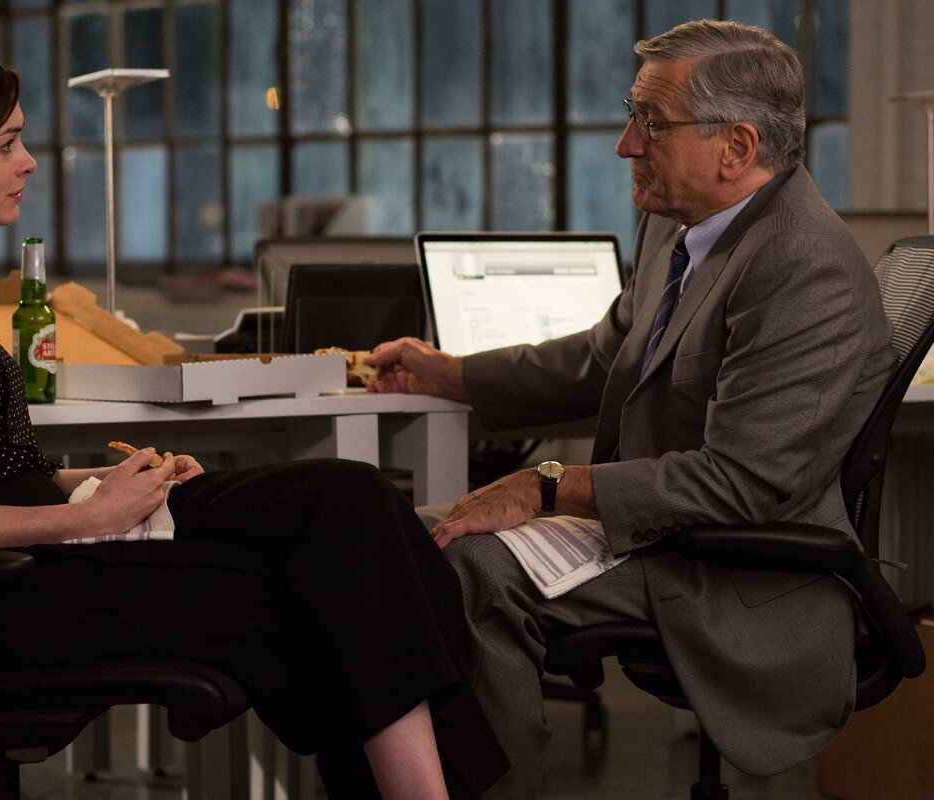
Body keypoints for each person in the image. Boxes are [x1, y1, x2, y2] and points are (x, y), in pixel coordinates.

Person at [0, 33, 508, 800]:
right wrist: (83, 519)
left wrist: (115, 479)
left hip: (41, 555)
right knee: (327, 589)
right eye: (7, 143)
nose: (28, 162)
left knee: (353, 501)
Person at [367, 19, 894, 800]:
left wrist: (548, 486)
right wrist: (453, 374)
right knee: (384, 544)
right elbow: (603, 357)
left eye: (651, 122)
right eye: (631, 114)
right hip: (664, 534)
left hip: (739, 572)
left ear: (736, 147)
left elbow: (742, 483)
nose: (626, 145)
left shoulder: (801, 265)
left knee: (471, 565)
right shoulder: (677, 226)